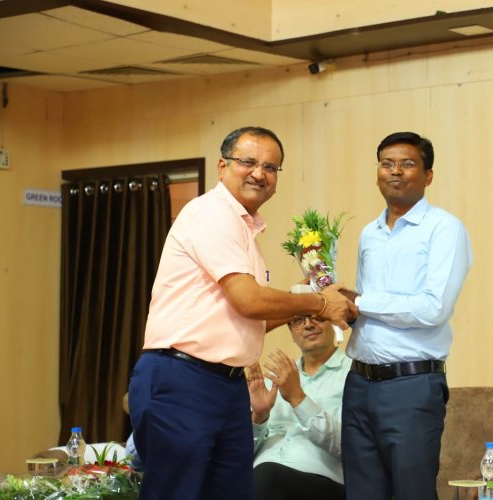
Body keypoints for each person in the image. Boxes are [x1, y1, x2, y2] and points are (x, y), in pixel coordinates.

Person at [127, 126, 357, 500]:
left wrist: (313, 296)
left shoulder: (245, 230)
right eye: (247, 162)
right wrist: (317, 304)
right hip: (184, 378)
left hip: (228, 387)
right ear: (221, 166)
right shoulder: (211, 214)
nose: (258, 173)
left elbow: (251, 318)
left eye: (270, 167)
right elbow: (249, 300)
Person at [339, 131, 473, 500]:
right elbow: (368, 308)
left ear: (428, 176)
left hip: (410, 386)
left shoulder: (444, 229)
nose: (395, 171)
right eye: (387, 163)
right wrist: (342, 309)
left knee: (412, 493)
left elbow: (434, 308)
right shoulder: (370, 233)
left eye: (407, 163)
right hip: (358, 384)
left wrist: (361, 301)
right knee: (362, 494)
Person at [248, 316, 351, 500]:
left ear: (333, 322)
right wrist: (259, 417)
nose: (309, 325)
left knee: (267, 478)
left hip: (321, 479)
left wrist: (298, 398)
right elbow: (241, 454)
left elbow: (351, 447)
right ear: (291, 332)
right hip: (261, 477)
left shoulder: (353, 375)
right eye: (298, 320)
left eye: (318, 317)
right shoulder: (275, 377)